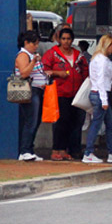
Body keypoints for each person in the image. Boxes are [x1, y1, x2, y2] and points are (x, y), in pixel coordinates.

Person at [41, 27, 89, 161]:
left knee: (76, 122)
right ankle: (57, 149)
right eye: (63, 39)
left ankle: (73, 150)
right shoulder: (52, 54)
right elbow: (44, 69)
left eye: (68, 39)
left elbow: (85, 71)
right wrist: (58, 73)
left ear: (72, 40)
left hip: (77, 94)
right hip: (60, 93)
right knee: (61, 122)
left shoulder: (78, 55)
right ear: (59, 39)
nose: (66, 42)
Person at [83, 34, 112, 164]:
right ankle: (89, 152)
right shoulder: (102, 60)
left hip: (97, 93)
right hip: (100, 94)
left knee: (108, 125)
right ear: (107, 46)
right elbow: (101, 81)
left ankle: (111, 152)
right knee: (98, 124)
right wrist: (104, 100)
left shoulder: (95, 58)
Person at [14, 31, 48, 161]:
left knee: (35, 120)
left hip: (37, 90)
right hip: (30, 90)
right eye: (34, 44)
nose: (36, 46)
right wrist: (33, 61)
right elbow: (24, 73)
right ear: (26, 43)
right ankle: (25, 150)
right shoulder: (23, 55)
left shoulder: (30, 54)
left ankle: (29, 149)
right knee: (31, 121)